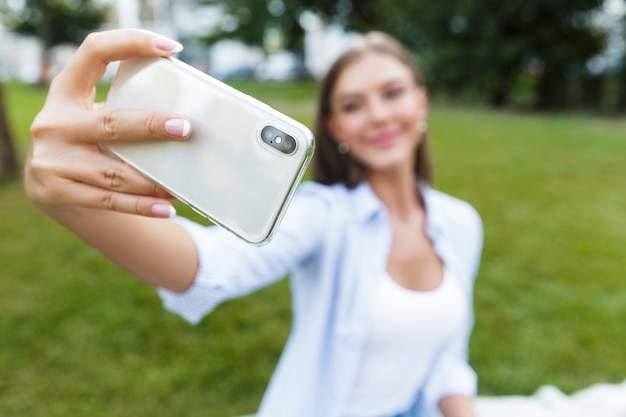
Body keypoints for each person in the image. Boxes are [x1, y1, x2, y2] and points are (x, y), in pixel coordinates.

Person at [24, 28, 483, 417]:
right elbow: (211, 265)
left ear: (420, 101)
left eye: (392, 93)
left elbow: (447, 361)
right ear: (335, 128)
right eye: (352, 105)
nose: (379, 115)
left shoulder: (461, 224)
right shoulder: (324, 216)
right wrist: (69, 201)